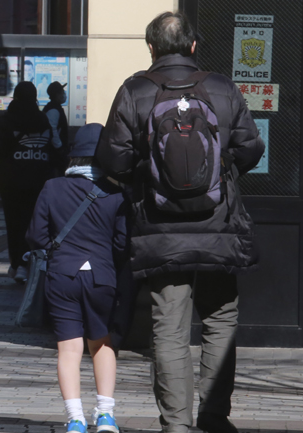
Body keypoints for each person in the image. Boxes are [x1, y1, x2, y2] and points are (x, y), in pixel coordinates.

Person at [95, 12, 265, 433]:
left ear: (151, 47)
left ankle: (175, 425)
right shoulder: (221, 87)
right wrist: (221, 172)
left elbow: (112, 159)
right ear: (193, 45)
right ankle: (214, 417)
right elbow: (250, 148)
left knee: (169, 329)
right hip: (219, 227)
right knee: (220, 320)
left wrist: (149, 177)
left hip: (160, 231)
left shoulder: (135, 90)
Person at [27, 123, 128, 433]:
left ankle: (75, 419)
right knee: (102, 344)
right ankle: (106, 416)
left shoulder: (52, 187)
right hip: (101, 277)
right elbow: (122, 243)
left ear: (74, 156)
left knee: (69, 350)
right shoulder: (116, 194)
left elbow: (36, 236)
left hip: (62, 276)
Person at [0, 82, 68, 283]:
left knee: (14, 224)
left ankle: (17, 264)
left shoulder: (5, 122)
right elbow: (53, 149)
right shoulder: (43, 120)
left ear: (15, 97)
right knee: (35, 222)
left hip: (11, 182)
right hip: (39, 180)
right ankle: (30, 261)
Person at [42, 81, 68, 150]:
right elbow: (52, 130)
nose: (63, 94)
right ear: (57, 95)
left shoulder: (54, 107)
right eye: (62, 92)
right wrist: (59, 147)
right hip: (54, 151)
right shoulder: (53, 110)